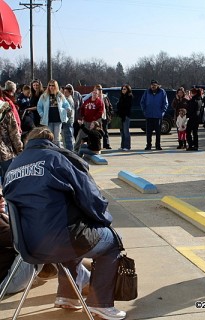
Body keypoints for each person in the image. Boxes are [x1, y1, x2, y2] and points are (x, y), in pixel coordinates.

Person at [3, 127, 126, 320]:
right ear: (51, 142)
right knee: (111, 242)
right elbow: (90, 198)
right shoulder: (58, 159)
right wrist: (104, 220)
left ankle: (67, 296)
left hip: (28, 245)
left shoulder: (12, 166)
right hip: (60, 240)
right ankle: (101, 304)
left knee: (70, 233)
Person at [0, 192, 59, 294]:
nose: (2, 199)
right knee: (40, 243)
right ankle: (78, 279)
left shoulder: (3, 216)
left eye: (2, 195)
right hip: (7, 284)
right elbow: (28, 238)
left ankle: (77, 272)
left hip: (9, 273)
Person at [36, 80, 71, 147]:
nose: (51, 87)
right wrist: (42, 114)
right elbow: (39, 106)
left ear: (56, 86)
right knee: (50, 137)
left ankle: (57, 151)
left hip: (58, 119)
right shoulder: (44, 96)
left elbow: (67, 105)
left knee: (57, 139)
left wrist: (66, 110)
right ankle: (50, 151)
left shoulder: (60, 95)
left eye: (53, 85)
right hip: (48, 119)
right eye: (50, 85)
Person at [140, 80, 168, 150]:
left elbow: (165, 103)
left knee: (158, 132)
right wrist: (145, 111)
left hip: (158, 116)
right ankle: (148, 145)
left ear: (157, 85)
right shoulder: (147, 92)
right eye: (152, 85)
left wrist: (162, 112)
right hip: (149, 115)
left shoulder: (162, 92)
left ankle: (158, 145)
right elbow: (142, 102)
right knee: (148, 132)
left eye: (155, 85)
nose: (153, 86)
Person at [0, 98, 23, 181]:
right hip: (5, 152)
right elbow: (14, 134)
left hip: (4, 152)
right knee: (8, 178)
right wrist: (19, 150)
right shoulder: (7, 111)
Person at [95, 85, 113, 150]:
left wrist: (110, 114)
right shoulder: (94, 97)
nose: (99, 90)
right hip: (96, 118)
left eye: (100, 89)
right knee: (97, 131)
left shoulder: (105, 97)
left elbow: (110, 106)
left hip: (104, 117)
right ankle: (97, 145)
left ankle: (106, 144)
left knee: (105, 131)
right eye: (98, 89)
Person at [117, 85, 133, 151]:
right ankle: (122, 145)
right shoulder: (121, 97)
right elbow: (119, 105)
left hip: (126, 116)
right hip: (121, 116)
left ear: (128, 90)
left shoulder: (129, 97)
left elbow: (127, 107)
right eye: (122, 89)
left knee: (126, 131)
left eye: (124, 89)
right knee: (122, 132)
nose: (123, 90)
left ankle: (127, 146)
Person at [62, 86, 76, 151]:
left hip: (67, 121)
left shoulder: (68, 100)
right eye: (64, 92)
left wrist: (64, 118)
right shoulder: (68, 99)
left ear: (69, 93)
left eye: (66, 92)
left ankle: (69, 151)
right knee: (68, 137)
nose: (64, 93)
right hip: (69, 121)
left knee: (68, 138)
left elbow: (68, 112)